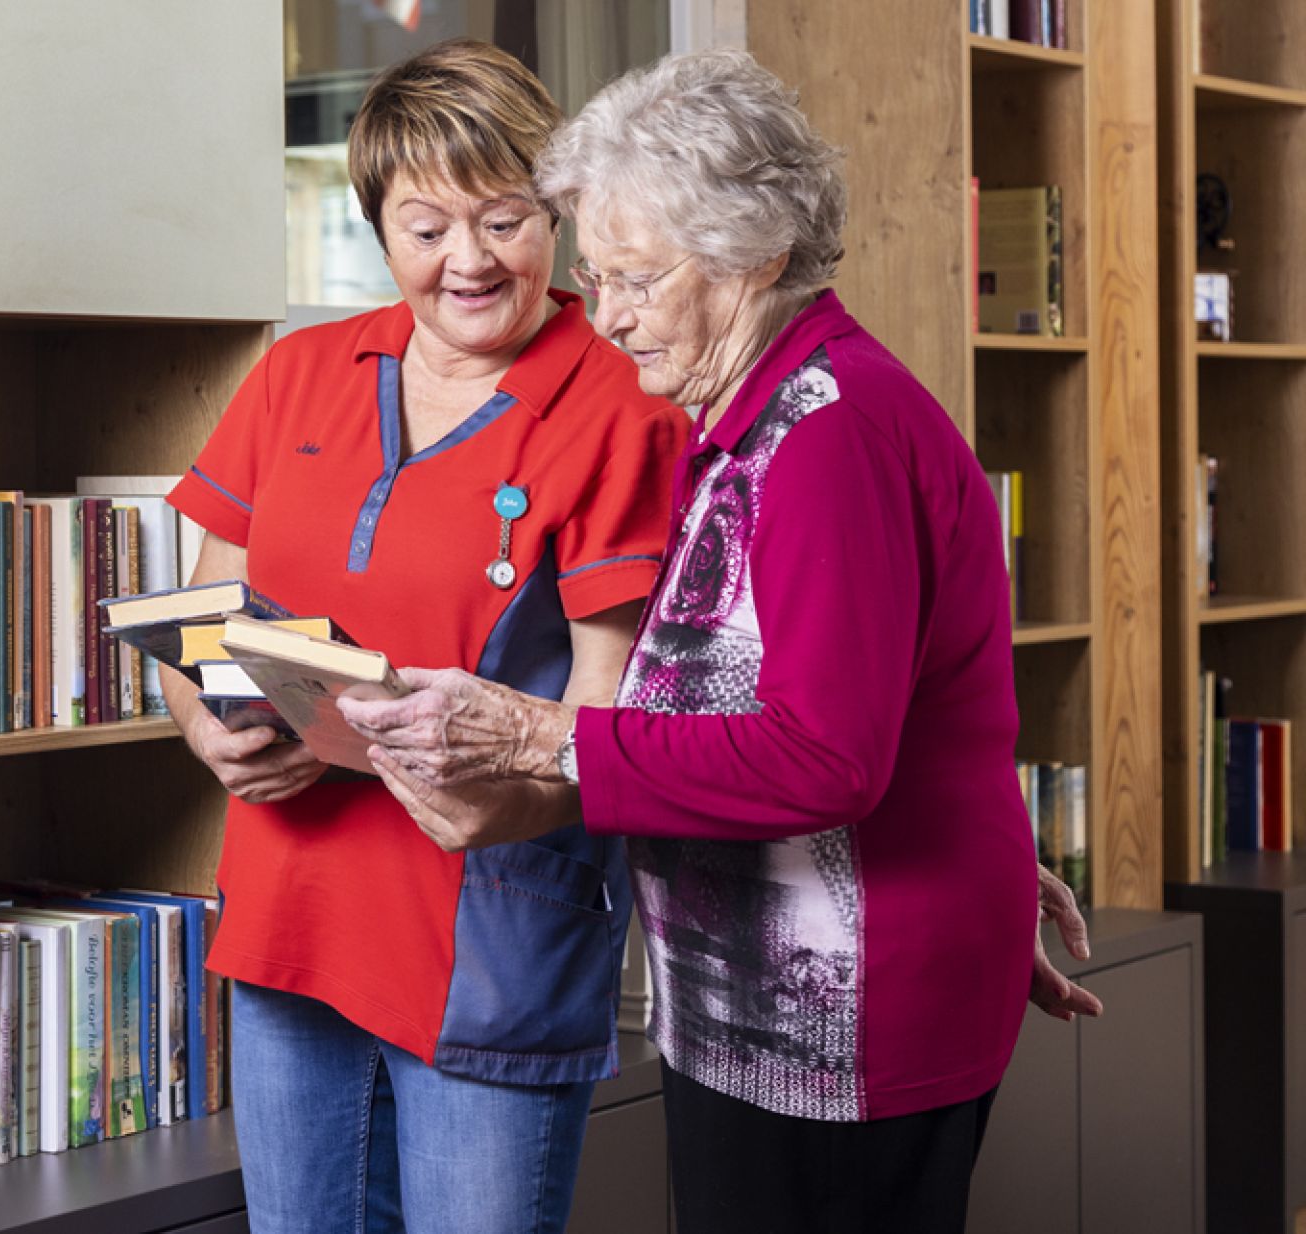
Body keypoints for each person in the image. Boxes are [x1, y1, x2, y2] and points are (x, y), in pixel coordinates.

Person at [338, 47, 1101, 1233]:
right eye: (599, 274)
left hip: (843, 1019)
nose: (611, 313)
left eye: (639, 277)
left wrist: (551, 736)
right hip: (791, 999)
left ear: (758, 256)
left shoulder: (825, 436)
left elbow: (826, 756)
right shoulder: (745, 417)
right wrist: (985, 879)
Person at [161, 39, 690, 1234]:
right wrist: (210, 729)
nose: (468, 261)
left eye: (504, 220)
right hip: (291, 908)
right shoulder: (299, 374)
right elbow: (204, 612)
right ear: (376, 226)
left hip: (487, 933)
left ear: (554, 213)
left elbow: (610, 725)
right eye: (427, 226)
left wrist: (492, 794)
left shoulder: (621, 400)